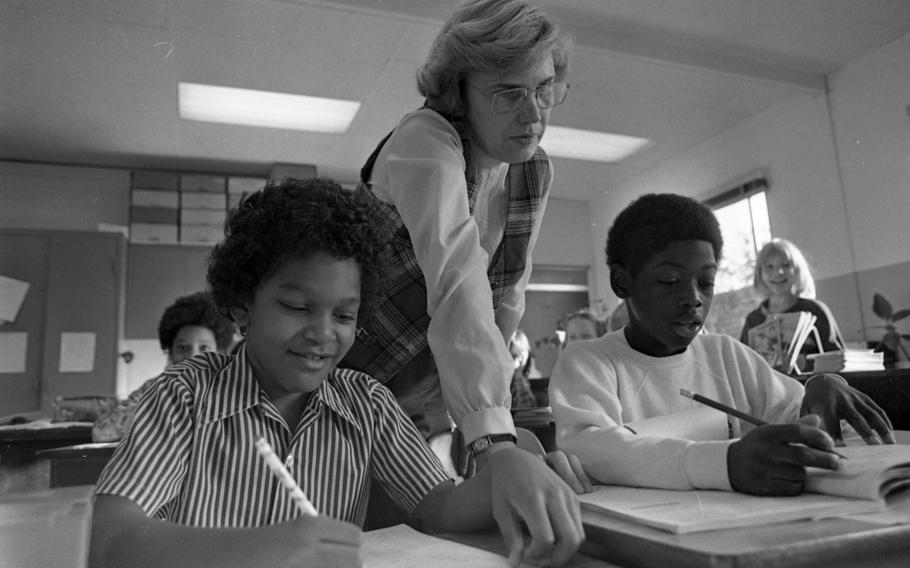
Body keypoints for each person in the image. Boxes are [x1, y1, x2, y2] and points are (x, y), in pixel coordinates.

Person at [89, 179, 586, 568]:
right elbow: (110, 542)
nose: (323, 334)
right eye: (296, 306)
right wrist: (262, 551)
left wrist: (503, 467)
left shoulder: (365, 401)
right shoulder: (184, 397)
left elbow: (441, 506)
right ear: (242, 304)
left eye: (344, 316)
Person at [339, 0, 583, 526]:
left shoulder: (533, 170)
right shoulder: (426, 139)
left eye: (544, 88)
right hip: (351, 381)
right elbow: (458, 282)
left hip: (430, 384)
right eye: (508, 93)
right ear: (458, 92)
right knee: (352, 524)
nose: (534, 112)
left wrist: (508, 436)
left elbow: (506, 297)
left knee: (430, 520)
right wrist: (495, 446)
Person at [550, 193, 894, 497]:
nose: (692, 299)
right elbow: (594, 451)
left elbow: (792, 416)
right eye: (669, 280)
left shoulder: (726, 355)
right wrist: (724, 463)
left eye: (707, 282)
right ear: (622, 281)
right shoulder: (588, 363)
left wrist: (815, 400)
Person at [91, 291, 235, 442]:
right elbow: (101, 433)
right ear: (170, 352)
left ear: (218, 351)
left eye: (204, 348)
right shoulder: (154, 388)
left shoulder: (230, 391)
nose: (193, 357)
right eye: (182, 348)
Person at [740, 238, 845, 370]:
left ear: (797, 270)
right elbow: (742, 366)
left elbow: (839, 361)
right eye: (769, 266)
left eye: (785, 265)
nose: (778, 272)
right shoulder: (753, 320)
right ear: (759, 274)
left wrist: (804, 363)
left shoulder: (815, 311)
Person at [509, 329, 538, 409]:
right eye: (513, 355)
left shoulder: (530, 378)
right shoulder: (505, 383)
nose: (518, 358)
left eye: (522, 351)